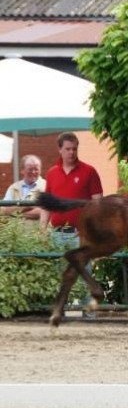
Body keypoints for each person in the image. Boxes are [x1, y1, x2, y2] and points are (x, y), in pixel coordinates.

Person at [40, 132, 103, 317]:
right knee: (60, 275)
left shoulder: (89, 171)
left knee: (86, 275)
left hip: (81, 234)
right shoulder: (52, 173)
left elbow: (98, 203)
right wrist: (42, 229)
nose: (72, 152)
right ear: (60, 149)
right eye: (67, 149)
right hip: (57, 233)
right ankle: (61, 313)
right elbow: (47, 204)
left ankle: (89, 316)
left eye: (74, 149)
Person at [1, 154, 46, 219]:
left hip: (38, 229)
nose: (33, 172)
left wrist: (17, 213)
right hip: (16, 229)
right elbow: (4, 210)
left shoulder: (47, 186)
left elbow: (45, 211)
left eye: (36, 169)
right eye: (30, 169)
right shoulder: (13, 188)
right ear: (22, 170)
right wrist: (27, 206)